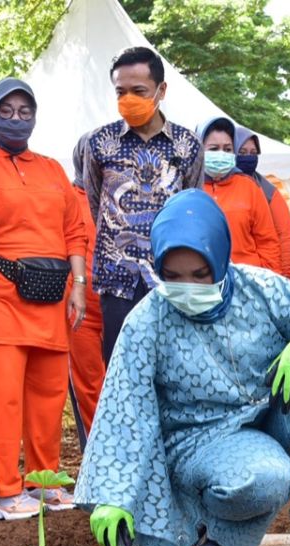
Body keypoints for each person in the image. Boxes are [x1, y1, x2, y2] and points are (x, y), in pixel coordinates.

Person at [75, 189, 290, 546]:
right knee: (266, 479)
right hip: (202, 439)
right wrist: (113, 497)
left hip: (272, 416)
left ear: (220, 259)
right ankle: (209, 524)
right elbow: (124, 408)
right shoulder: (147, 321)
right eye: (173, 276)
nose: (189, 288)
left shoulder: (261, 289)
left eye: (201, 275)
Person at [0, 78, 87, 521]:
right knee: (4, 398)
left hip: (51, 296)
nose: (15, 118)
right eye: (6, 110)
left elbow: (74, 230)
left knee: (49, 397)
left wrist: (80, 285)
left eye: (23, 111)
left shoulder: (51, 169)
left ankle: (43, 482)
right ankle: (3, 491)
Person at [84, 46, 204, 364]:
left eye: (139, 91)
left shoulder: (187, 144)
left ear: (161, 90)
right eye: (120, 91)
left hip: (172, 278)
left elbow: (192, 206)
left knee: (172, 367)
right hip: (117, 278)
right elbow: (95, 203)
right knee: (120, 368)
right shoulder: (98, 142)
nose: (128, 99)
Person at [196, 116, 283, 275]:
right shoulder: (189, 187)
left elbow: (268, 242)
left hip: (248, 281)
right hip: (204, 282)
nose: (221, 154)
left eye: (228, 149)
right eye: (214, 149)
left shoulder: (249, 187)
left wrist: (269, 285)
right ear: (199, 149)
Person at [68, 134, 106, 447]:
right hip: (80, 311)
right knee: (89, 385)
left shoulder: (122, 195)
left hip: (120, 305)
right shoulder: (66, 198)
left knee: (125, 382)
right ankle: (97, 454)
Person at [234, 125, 290, 279]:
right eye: (242, 153)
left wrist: (287, 277)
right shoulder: (212, 188)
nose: (248, 157)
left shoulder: (268, 191)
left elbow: (285, 235)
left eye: (253, 153)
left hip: (263, 274)